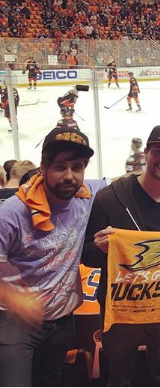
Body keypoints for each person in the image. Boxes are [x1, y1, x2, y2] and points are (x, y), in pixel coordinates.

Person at [82, 125, 160, 386]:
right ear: (146, 153)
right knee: (120, 377)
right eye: (159, 151)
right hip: (121, 310)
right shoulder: (109, 199)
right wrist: (99, 249)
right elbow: (86, 255)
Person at [0, 127, 106, 386]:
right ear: (43, 168)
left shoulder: (86, 197)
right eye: (60, 166)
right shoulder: (12, 213)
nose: (69, 176)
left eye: (77, 167)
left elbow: (133, 183)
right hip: (17, 323)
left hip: (62, 321)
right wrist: (13, 298)